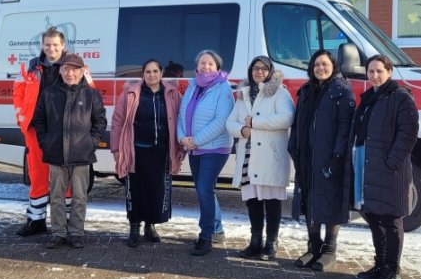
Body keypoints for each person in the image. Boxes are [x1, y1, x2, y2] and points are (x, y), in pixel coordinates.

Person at [349, 55, 419, 279]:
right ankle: (379, 264)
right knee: (374, 217)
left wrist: (392, 161)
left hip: (391, 171)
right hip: (369, 167)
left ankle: (392, 268)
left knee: (391, 219)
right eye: (371, 71)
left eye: (379, 71)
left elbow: (408, 133)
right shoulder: (369, 98)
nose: (375, 75)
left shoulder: (400, 97)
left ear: (389, 72)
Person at [288, 49, 355, 271]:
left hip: (330, 157)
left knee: (331, 200)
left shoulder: (342, 90)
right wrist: (294, 147)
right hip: (307, 156)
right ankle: (313, 246)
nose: (320, 68)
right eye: (316, 65)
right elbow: (298, 122)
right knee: (309, 198)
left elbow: (346, 127)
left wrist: (337, 155)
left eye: (325, 64)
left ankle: (329, 250)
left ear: (333, 66)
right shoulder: (306, 90)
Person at [32, 54, 107, 249]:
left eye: (75, 69)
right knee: (56, 197)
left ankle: (76, 233)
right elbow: (38, 120)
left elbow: (100, 121)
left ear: (82, 72)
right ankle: (58, 233)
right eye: (66, 68)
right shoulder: (48, 93)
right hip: (56, 155)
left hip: (81, 155)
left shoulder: (91, 95)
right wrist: (46, 141)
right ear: (60, 71)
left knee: (80, 197)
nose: (70, 73)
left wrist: (91, 142)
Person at [226, 56, 295, 261]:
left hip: (270, 155)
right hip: (248, 153)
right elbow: (230, 122)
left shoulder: (280, 93)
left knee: (272, 200)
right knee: (253, 200)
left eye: (264, 68)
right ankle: (255, 242)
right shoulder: (243, 95)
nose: (259, 72)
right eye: (255, 68)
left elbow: (287, 118)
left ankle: (271, 243)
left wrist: (255, 122)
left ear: (270, 71)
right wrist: (242, 130)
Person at [110, 59, 184, 247]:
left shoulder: (172, 93)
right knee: (135, 191)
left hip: (161, 152)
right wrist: (116, 149)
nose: (152, 75)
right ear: (143, 74)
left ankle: (150, 226)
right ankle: (134, 227)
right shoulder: (131, 92)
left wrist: (180, 147)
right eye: (148, 72)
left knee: (155, 192)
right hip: (135, 151)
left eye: (155, 71)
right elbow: (118, 120)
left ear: (161, 73)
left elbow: (181, 120)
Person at [177, 49, 234, 256]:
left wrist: (195, 141)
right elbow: (181, 114)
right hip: (194, 147)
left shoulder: (223, 88)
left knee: (203, 189)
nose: (206, 67)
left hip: (215, 148)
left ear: (218, 67)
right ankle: (217, 229)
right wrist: (182, 138)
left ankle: (206, 236)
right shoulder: (193, 86)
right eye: (202, 63)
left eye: (210, 63)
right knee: (205, 190)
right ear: (197, 66)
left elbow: (221, 121)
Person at [11, 27, 65, 237]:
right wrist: (21, 118)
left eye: (55, 45)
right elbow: (18, 93)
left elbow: (89, 94)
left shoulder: (74, 66)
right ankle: (36, 220)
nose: (51, 48)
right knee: (37, 173)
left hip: (63, 129)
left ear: (63, 46)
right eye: (48, 44)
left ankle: (66, 222)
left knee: (64, 175)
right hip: (36, 127)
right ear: (43, 45)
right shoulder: (30, 67)